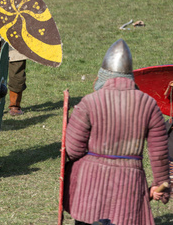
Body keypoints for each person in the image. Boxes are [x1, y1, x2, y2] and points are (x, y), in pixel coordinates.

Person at [64, 39, 170, 225]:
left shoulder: (89, 102)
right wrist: (160, 183)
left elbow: (73, 150)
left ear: (104, 75)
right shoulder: (149, 104)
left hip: (90, 183)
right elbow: (159, 153)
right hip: (130, 182)